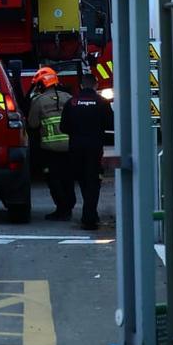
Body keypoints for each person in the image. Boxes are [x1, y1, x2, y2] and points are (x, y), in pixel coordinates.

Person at [61, 75, 111, 230]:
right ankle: (90, 215)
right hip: (95, 147)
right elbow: (110, 123)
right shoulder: (102, 102)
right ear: (95, 85)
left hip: (76, 147)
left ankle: (88, 213)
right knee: (93, 181)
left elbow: (63, 127)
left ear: (81, 86)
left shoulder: (72, 102)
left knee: (83, 180)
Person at [26, 67, 74, 220]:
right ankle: (69, 205)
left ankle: (62, 209)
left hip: (50, 148)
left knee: (53, 179)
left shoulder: (38, 101)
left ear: (41, 84)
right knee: (68, 178)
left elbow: (32, 124)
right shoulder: (68, 97)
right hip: (70, 146)